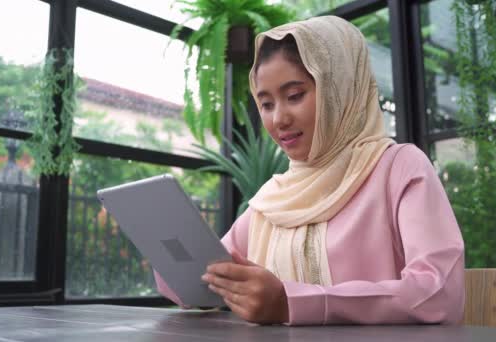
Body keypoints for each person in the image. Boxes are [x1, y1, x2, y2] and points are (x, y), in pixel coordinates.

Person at [156, 15, 465, 326]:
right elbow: (197, 287)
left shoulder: (398, 168)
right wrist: (170, 245)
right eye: (266, 104)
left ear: (341, 89)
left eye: (294, 96)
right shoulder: (274, 200)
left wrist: (292, 304)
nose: (278, 119)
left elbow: (437, 293)